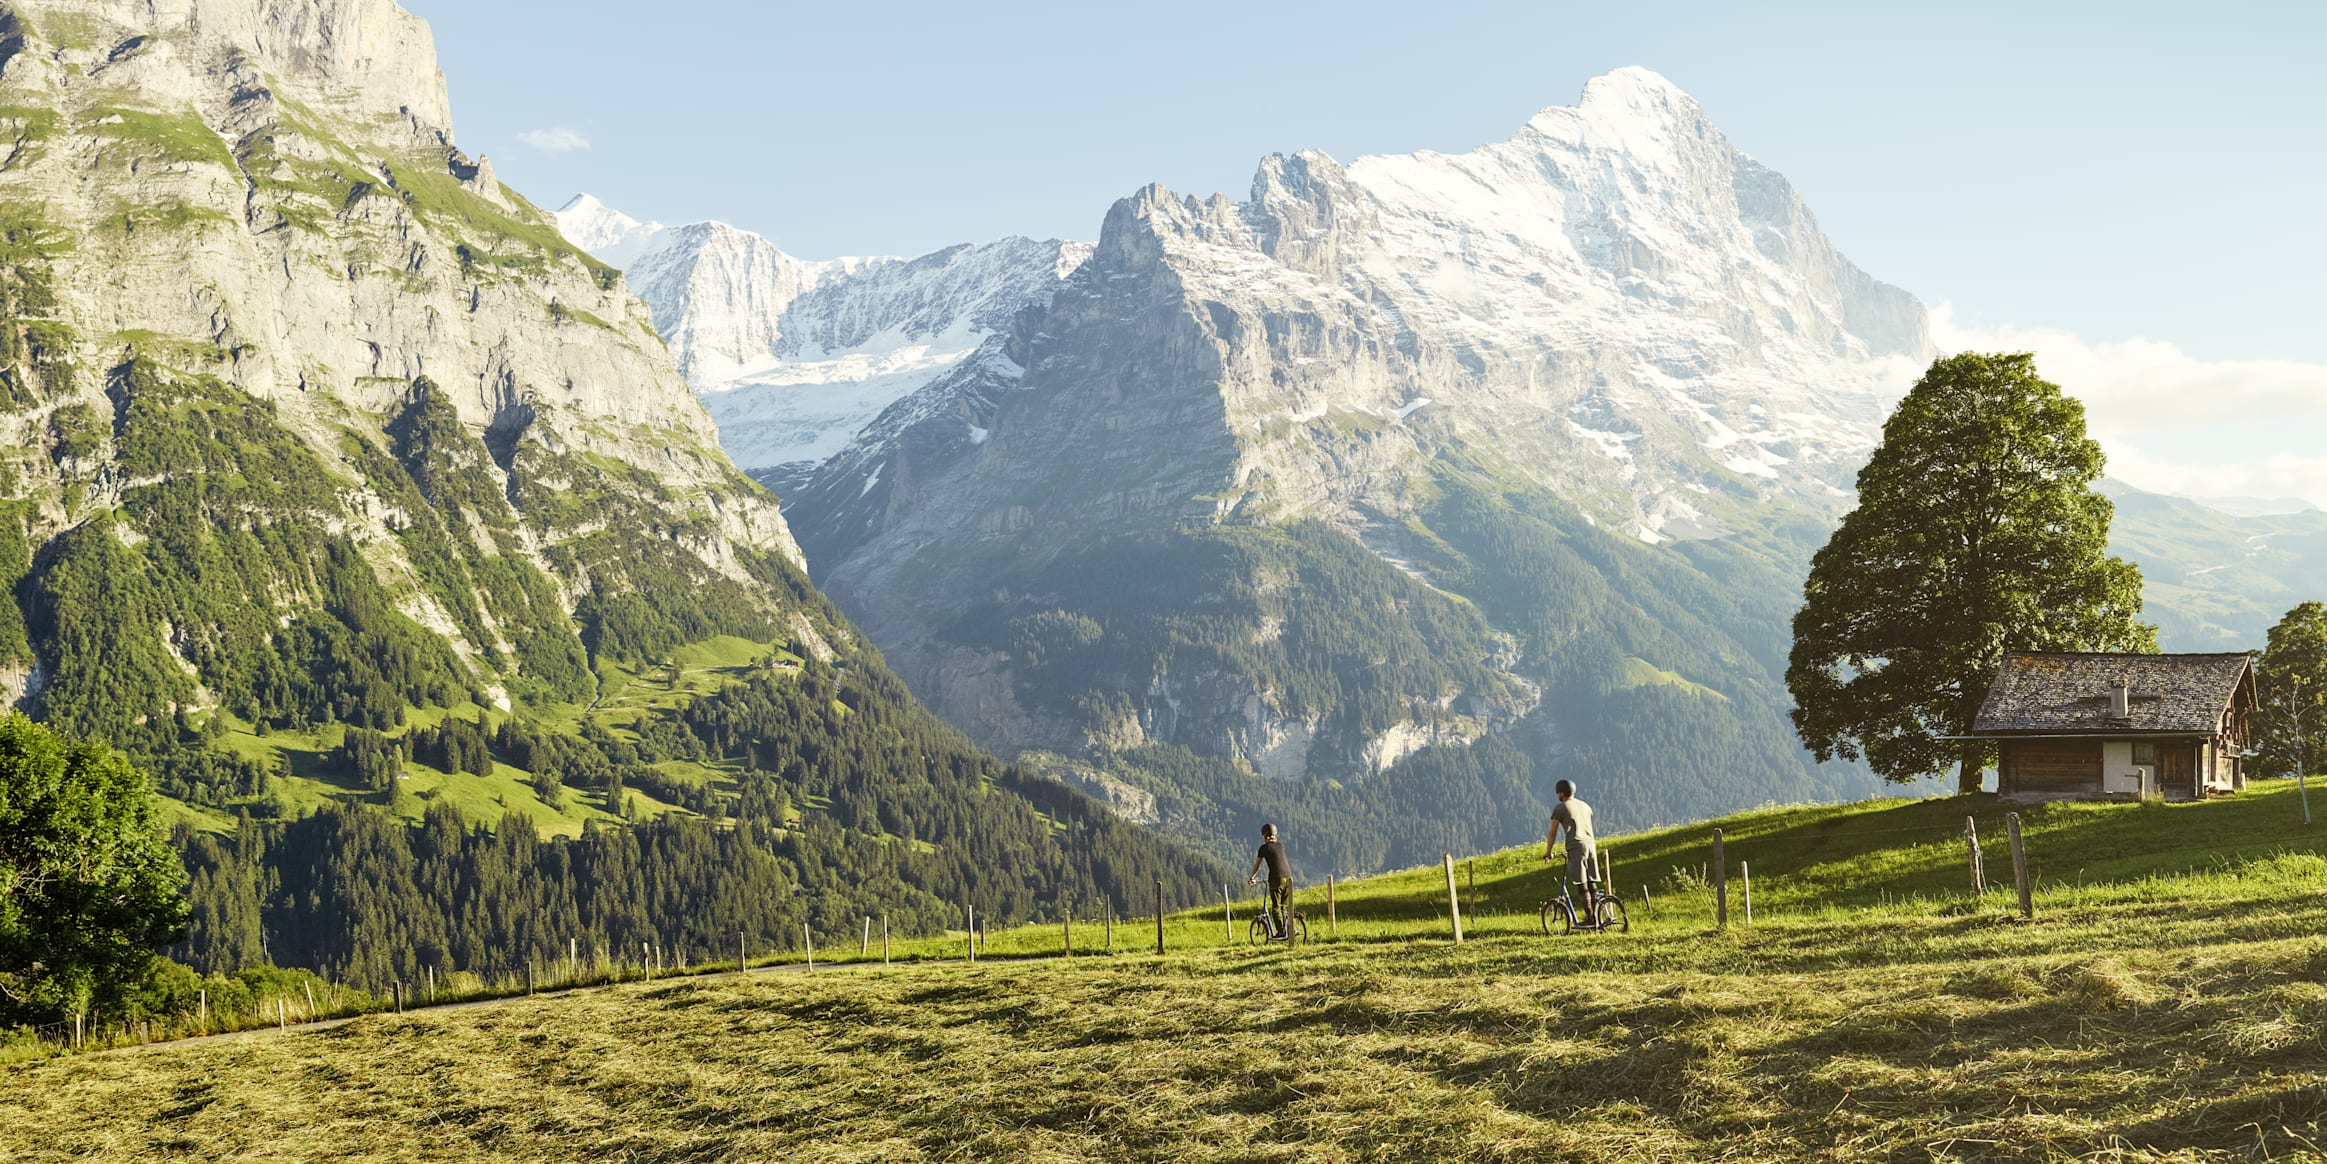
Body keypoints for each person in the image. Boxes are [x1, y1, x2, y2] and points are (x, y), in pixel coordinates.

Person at [1542, 779, 1598, 911]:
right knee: (1591, 881)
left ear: (1561, 793)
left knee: (1581, 883)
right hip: (1591, 845)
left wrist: (1548, 852)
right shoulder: (1585, 806)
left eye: (1558, 793)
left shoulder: (1561, 808)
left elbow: (1552, 833)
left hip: (1577, 845)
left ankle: (1589, 917)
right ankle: (1598, 916)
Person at [1245, 823, 1293, 935]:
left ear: (1265, 835)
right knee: (1285, 907)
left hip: (1277, 879)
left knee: (1276, 907)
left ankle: (1281, 931)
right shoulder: (1280, 845)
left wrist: (1252, 877)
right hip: (1289, 878)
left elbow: (1257, 865)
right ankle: (1289, 928)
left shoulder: (1264, 848)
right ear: (1275, 835)